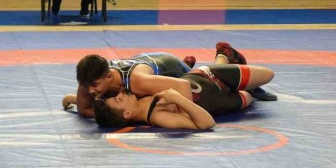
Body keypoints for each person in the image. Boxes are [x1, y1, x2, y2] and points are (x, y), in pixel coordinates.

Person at [92, 58, 276, 129]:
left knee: (268, 75)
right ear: (127, 114)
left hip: (206, 75)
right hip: (220, 100)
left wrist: (74, 100)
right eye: (118, 100)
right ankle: (231, 66)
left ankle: (224, 56)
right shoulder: (158, 117)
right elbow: (207, 124)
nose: (120, 94)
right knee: (251, 95)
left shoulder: (136, 92)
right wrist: (178, 99)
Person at [63, 52, 195, 118]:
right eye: (86, 86)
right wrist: (116, 115)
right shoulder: (88, 79)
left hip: (170, 65)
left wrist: (185, 118)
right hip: (141, 61)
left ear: (109, 77)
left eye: (94, 85)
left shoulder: (137, 82)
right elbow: (83, 109)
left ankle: (187, 64)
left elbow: (183, 85)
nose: (90, 91)